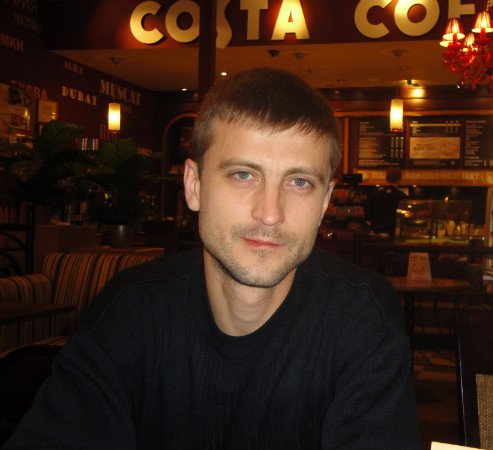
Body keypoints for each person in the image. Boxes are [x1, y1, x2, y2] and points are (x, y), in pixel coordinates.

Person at [3, 68, 420, 450]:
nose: (270, 213)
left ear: (325, 201)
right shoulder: (132, 307)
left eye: (299, 182)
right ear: (194, 185)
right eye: (243, 174)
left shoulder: (361, 315)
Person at [365, 166, 407, 236]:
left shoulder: (375, 195)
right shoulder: (402, 196)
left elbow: (368, 217)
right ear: (400, 180)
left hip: (377, 233)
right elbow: (405, 217)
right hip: (394, 234)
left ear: (386, 179)